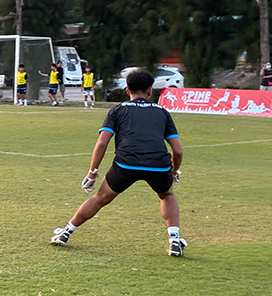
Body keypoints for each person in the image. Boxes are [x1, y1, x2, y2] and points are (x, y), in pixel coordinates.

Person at [50, 69, 186, 256]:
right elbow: (177, 150)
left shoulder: (118, 110)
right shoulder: (163, 112)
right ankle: (174, 241)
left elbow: (102, 143)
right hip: (159, 164)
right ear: (150, 90)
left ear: (127, 90)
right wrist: (174, 171)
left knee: (100, 198)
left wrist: (92, 172)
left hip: (126, 163)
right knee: (167, 195)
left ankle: (66, 232)